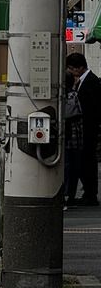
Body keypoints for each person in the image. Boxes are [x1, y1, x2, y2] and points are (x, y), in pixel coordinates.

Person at [66, 52, 100, 206]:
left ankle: (91, 195)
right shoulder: (84, 81)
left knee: (88, 162)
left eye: (71, 69)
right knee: (85, 162)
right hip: (85, 130)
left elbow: (91, 109)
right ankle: (88, 193)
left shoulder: (91, 82)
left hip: (88, 129)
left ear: (78, 68)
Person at [63, 67, 83, 209]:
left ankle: (66, 194)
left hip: (66, 136)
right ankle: (69, 194)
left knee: (67, 166)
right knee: (72, 167)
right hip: (74, 136)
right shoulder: (73, 95)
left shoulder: (63, 96)